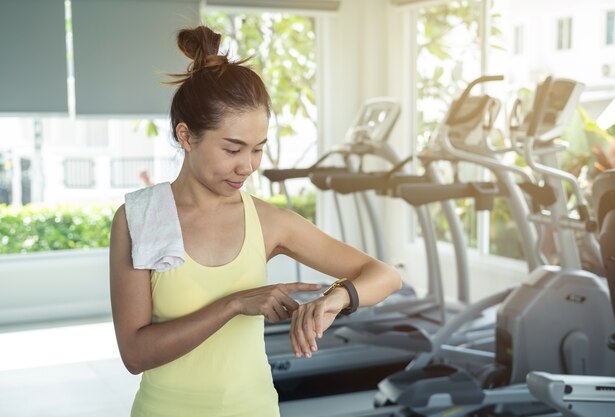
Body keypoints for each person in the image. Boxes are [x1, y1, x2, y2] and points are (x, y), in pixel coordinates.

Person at [109, 25, 402, 417]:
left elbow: (384, 274)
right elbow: (136, 353)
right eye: (232, 148)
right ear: (187, 136)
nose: (247, 166)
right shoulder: (139, 218)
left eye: (258, 149)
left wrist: (336, 299)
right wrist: (233, 304)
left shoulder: (269, 221)